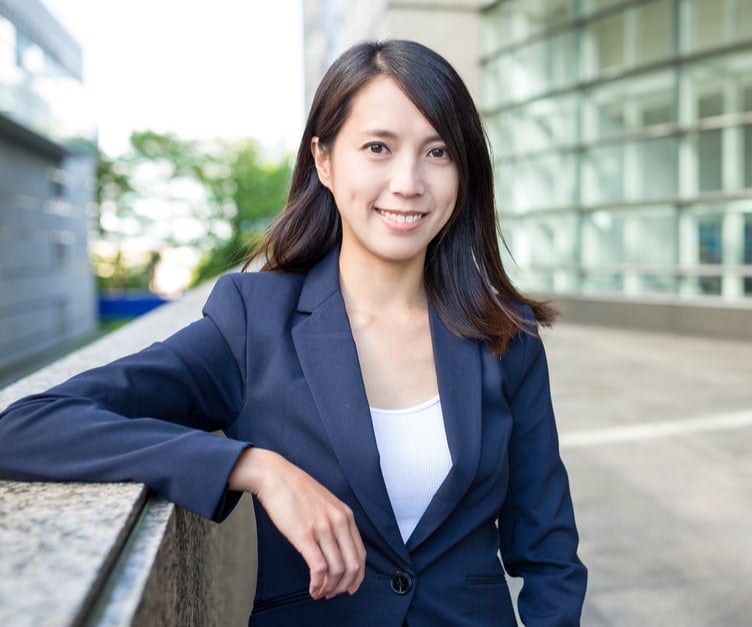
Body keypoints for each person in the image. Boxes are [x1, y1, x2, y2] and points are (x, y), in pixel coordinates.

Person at [0, 40, 586, 626]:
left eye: (437, 152)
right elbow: (26, 426)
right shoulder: (255, 321)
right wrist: (256, 466)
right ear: (325, 161)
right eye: (378, 147)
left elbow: (549, 554)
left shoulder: (505, 337)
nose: (408, 182)